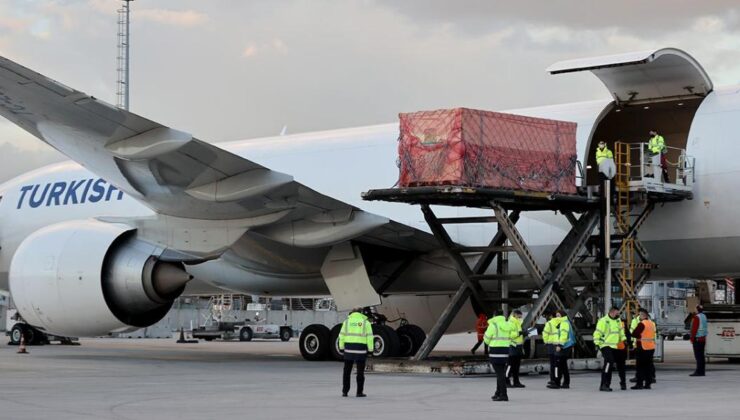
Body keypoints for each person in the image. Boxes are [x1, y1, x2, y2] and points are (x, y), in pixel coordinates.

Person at [483, 309, 518, 402]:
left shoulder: (493, 325)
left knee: (499, 374)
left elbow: (486, 339)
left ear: (494, 315)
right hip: (505, 351)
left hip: (495, 351)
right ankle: (497, 393)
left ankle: (503, 394)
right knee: (501, 372)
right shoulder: (508, 325)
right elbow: (514, 335)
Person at [338, 308, 374, 397]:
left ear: (352, 312)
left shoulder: (346, 322)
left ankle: (345, 391)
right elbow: (370, 337)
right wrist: (370, 350)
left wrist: (341, 348)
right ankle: (359, 392)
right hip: (360, 350)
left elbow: (341, 336)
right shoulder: (366, 323)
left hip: (348, 350)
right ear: (361, 312)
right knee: (360, 372)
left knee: (347, 371)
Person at [594, 306, 626, 392]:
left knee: (612, 365)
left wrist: (624, 340)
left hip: (614, 346)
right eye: (617, 312)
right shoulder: (603, 321)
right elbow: (597, 333)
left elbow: (620, 332)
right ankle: (604, 384)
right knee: (609, 362)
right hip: (605, 345)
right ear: (612, 312)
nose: (618, 314)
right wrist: (597, 344)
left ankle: (606, 384)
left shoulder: (618, 321)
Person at [631, 308, 657, 389]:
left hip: (642, 347)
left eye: (640, 315)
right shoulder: (651, 323)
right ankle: (648, 384)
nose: (639, 316)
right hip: (651, 347)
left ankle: (639, 384)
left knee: (640, 367)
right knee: (648, 366)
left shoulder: (642, 324)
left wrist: (639, 337)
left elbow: (634, 334)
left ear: (643, 315)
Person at [552, 310, 572, 389]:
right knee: (564, 366)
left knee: (557, 365)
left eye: (559, 315)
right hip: (565, 347)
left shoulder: (564, 323)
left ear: (562, 316)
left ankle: (557, 382)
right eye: (556, 315)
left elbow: (563, 335)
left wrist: (559, 345)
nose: (557, 317)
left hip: (562, 347)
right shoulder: (564, 323)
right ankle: (566, 383)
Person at [507, 310, 526, 388]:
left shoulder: (518, 323)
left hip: (518, 346)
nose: (520, 317)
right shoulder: (510, 323)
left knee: (516, 366)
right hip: (512, 346)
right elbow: (509, 335)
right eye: (519, 316)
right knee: (510, 365)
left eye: (521, 316)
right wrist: (519, 333)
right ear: (515, 315)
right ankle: (506, 381)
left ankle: (516, 381)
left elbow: (519, 335)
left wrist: (524, 333)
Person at [542, 312, 560, 388]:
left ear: (551, 316)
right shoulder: (561, 323)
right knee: (557, 364)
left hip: (550, 345)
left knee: (552, 364)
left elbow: (545, 333)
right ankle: (556, 380)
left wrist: (546, 342)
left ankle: (553, 380)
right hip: (558, 345)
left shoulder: (549, 323)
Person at [690, 305, 708, 376]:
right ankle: (702, 371)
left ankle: (698, 371)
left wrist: (691, 338)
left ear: (697, 310)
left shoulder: (697, 317)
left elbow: (694, 329)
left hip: (697, 339)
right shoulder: (704, 316)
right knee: (702, 356)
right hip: (703, 339)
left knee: (698, 357)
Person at [614, 318, 629, 390]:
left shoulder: (606, 322)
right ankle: (623, 383)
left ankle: (606, 384)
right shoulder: (622, 324)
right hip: (621, 348)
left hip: (613, 348)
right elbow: (628, 335)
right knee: (621, 368)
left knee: (608, 366)